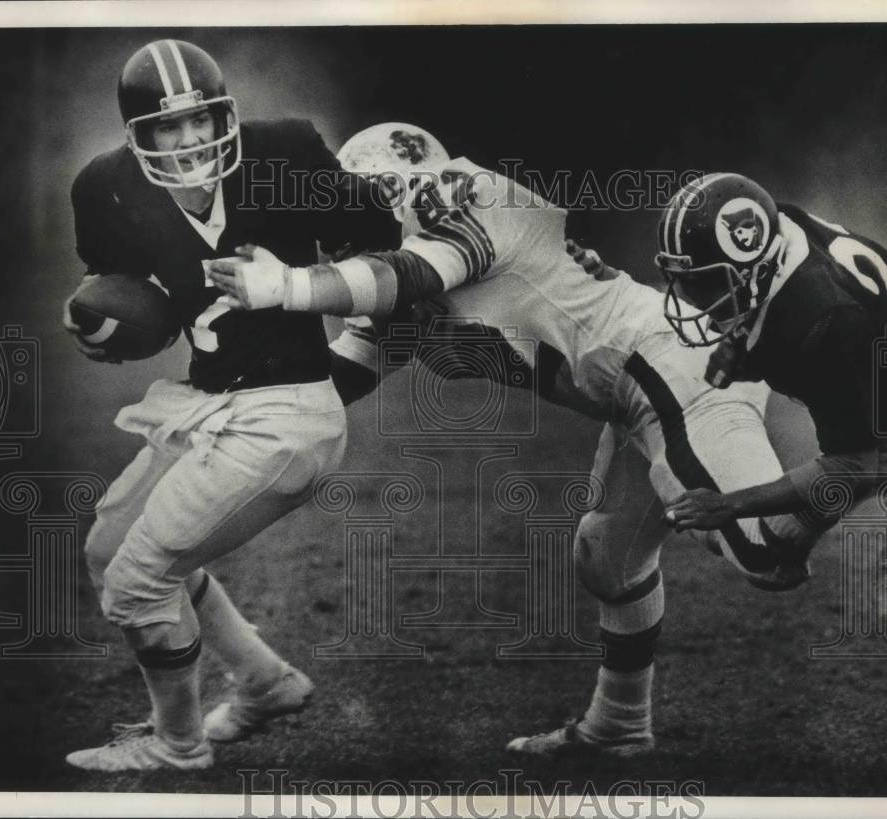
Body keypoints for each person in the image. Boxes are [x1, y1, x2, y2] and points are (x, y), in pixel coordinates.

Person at [207, 123, 827, 758]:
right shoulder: (411, 277)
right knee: (607, 559)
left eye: (368, 197)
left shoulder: (463, 203)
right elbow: (343, 374)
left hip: (678, 372)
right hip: (634, 397)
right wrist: (236, 407)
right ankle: (618, 726)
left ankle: (877, 467)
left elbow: (403, 272)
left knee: (766, 556)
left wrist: (286, 286)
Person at [61, 40, 397, 771]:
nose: (187, 140)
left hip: (290, 413)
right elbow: (127, 300)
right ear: (135, 135)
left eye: (200, 120)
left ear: (227, 114)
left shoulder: (287, 153)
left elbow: (392, 254)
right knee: (108, 551)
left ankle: (179, 745)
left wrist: (303, 289)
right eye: (165, 127)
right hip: (207, 400)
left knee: (137, 579)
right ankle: (265, 682)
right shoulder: (106, 189)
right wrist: (99, 324)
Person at [655, 172, 887, 653]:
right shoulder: (779, 228)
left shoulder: (821, 319)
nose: (686, 297)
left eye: (700, 284)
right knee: (770, 553)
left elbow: (858, 464)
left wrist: (731, 503)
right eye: (681, 280)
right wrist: (745, 347)